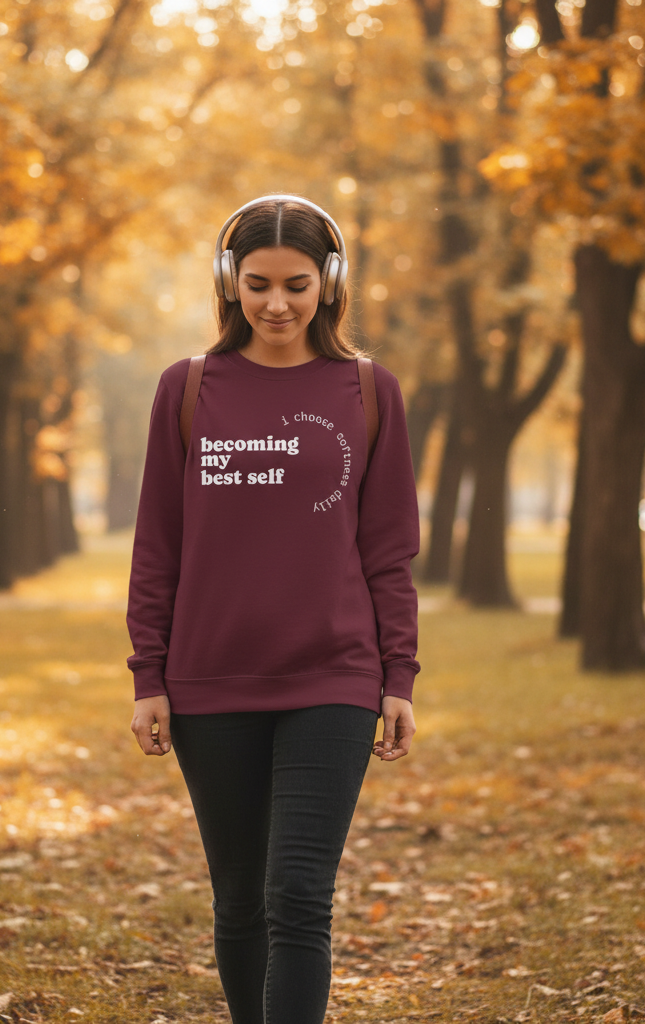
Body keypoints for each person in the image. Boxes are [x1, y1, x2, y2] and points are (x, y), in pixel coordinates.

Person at [126, 194, 420, 1024]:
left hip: (334, 677)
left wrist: (399, 675)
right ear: (229, 282)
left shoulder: (369, 391)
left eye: (297, 284)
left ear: (330, 284)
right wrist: (148, 674)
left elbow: (389, 552)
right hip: (208, 683)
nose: (277, 303)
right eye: (257, 284)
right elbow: (159, 547)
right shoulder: (186, 390)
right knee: (239, 904)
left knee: (297, 895)